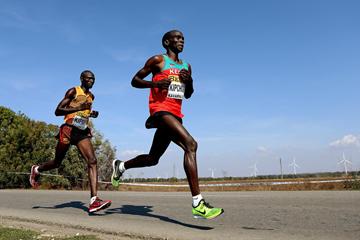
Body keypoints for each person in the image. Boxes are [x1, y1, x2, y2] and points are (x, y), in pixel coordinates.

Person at [111, 30, 224, 219]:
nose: (181, 41)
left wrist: (190, 81)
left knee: (153, 158)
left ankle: (121, 166)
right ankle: (198, 203)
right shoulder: (158, 60)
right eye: (177, 38)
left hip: (176, 114)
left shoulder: (186, 66)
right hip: (160, 111)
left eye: (183, 39)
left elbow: (188, 94)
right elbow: (134, 81)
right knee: (191, 144)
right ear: (166, 42)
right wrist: (155, 85)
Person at [29, 70, 112, 213]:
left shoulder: (91, 96)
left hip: (81, 132)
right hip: (68, 130)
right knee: (57, 162)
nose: (91, 81)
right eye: (88, 78)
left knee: (92, 161)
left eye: (93, 79)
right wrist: (79, 107)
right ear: (82, 79)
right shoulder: (73, 91)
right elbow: (58, 110)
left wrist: (91, 113)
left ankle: (94, 201)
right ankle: (37, 169)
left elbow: (83, 114)